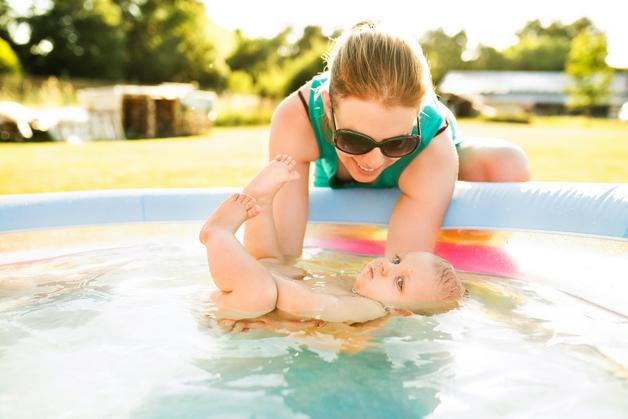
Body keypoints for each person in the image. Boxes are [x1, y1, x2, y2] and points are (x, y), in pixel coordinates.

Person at [249, 21, 530, 261]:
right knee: (338, 254)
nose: (373, 161)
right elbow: (283, 253)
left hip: (423, 170)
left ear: (417, 116)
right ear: (327, 104)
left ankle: (456, 246)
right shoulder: (296, 118)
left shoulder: (432, 142)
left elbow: (401, 272)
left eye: (396, 142)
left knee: (507, 165)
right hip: (343, 184)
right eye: (354, 140)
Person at [199, 155, 465, 324]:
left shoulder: (369, 310)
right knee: (275, 264)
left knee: (261, 291)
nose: (386, 265)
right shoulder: (354, 287)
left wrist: (265, 274)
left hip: (235, 310)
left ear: (402, 311)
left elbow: (312, 305)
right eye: (397, 259)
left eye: (399, 281)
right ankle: (261, 202)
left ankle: (218, 232)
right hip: (250, 298)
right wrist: (271, 270)